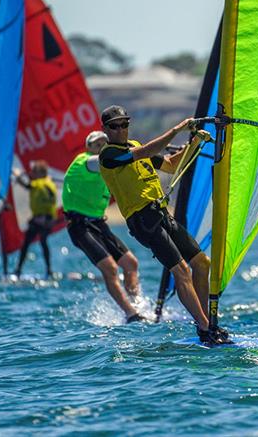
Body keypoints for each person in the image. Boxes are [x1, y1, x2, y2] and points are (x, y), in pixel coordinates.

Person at [97, 105, 230, 344]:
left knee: (202, 263)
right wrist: (178, 128)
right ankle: (205, 327)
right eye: (115, 126)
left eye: (124, 124)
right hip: (142, 220)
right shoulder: (108, 155)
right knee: (181, 271)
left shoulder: (135, 146)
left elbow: (170, 164)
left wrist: (195, 142)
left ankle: (207, 324)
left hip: (162, 215)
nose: (121, 130)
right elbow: (148, 150)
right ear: (105, 129)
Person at [63, 131, 145, 323]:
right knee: (110, 268)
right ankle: (131, 314)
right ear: (88, 148)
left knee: (131, 264)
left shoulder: (108, 170)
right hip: (79, 226)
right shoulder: (83, 162)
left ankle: (137, 305)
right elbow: (102, 160)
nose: (101, 147)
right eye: (96, 144)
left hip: (99, 224)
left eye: (104, 144)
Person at [13, 160, 58, 278]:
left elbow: (28, 185)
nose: (32, 174)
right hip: (49, 219)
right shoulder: (50, 182)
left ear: (41, 173)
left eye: (35, 172)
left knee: (27, 244)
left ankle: (18, 270)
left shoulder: (39, 183)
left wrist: (17, 176)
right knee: (43, 242)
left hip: (41, 219)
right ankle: (49, 270)